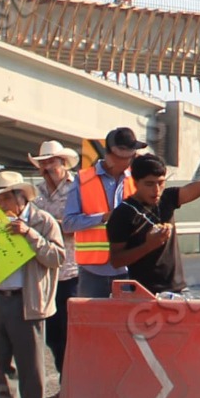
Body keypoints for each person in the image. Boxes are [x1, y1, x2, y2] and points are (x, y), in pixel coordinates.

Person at [0, 171, 67, 398]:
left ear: (20, 197)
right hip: (0, 297)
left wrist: (29, 235)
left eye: (5, 198)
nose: (1, 205)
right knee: (1, 363)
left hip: (28, 299)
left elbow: (57, 258)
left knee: (30, 364)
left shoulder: (44, 222)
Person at [108, 138, 200, 295]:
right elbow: (116, 260)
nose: (156, 190)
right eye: (149, 184)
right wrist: (149, 245)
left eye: (161, 183)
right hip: (144, 294)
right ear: (136, 182)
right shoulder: (123, 213)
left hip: (179, 291)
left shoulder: (168, 198)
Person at [30, 141, 92, 374]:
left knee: (71, 332)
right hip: (47, 272)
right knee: (54, 334)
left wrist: (48, 227)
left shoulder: (79, 188)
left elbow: (80, 226)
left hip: (72, 269)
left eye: (51, 162)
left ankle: (73, 382)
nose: (47, 167)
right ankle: (65, 380)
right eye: (43, 163)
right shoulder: (36, 192)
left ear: (63, 163)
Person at [67, 127, 142, 301]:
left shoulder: (136, 180)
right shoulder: (83, 179)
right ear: (114, 154)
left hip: (128, 269)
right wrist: (103, 217)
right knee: (92, 326)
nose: (131, 159)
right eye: (128, 154)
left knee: (128, 326)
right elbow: (69, 223)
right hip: (93, 273)